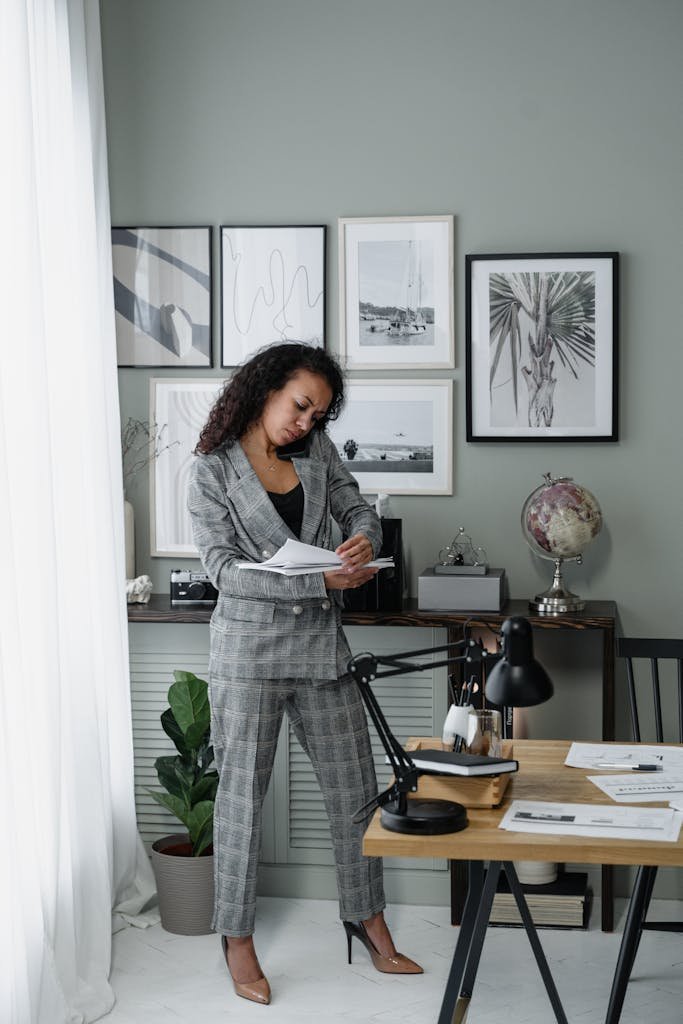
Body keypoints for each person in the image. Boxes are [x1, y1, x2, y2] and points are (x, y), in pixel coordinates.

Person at [187, 342, 422, 1006]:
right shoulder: (210, 469)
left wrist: (362, 544)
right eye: (299, 406)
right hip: (247, 657)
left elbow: (361, 512)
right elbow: (220, 569)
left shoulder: (317, 454)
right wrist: (310, 576)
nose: (305, 423)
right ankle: (235, 937)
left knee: (355, 791)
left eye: (317, 414)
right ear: (264, 389)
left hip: (321, 650)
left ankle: (366, 915)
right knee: (239, 806)